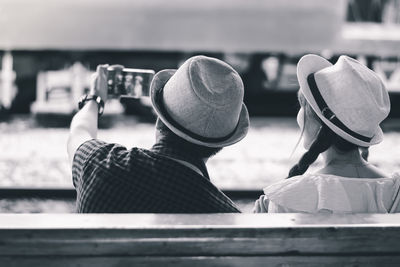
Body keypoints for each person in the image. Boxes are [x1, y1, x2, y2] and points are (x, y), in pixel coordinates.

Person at [67, 55, 250, 213]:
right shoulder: (225, 214)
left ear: (160, 116)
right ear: (221, 143)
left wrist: (95, 98)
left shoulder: (100, 165)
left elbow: (79, 132)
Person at [254, 54, 400, 213]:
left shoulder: (286, 200)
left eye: (303, 107)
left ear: (317, 124)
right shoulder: (395, 193)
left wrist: (264, 218)